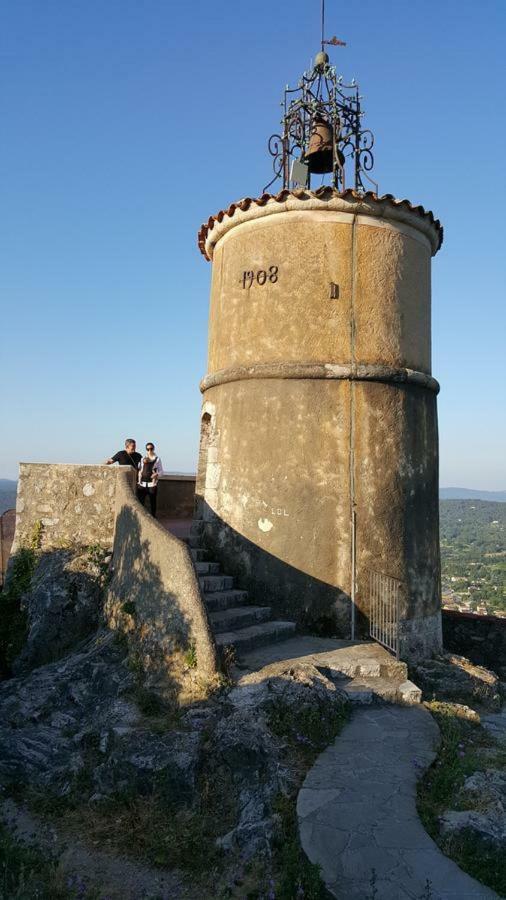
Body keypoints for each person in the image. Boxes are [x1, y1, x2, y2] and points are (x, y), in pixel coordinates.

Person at [137, 442, 163, 517]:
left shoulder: (157, 459)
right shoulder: (142, 459)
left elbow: (161, 471)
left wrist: (156, 474)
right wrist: (139, 481)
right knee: (140, 503)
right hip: (142, 484)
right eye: (148, 449)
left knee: (153, 503)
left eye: (151, 449)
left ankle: (153, 518)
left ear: (153, 449)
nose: (149, 450)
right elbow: (140, 470)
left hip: (152, 484)